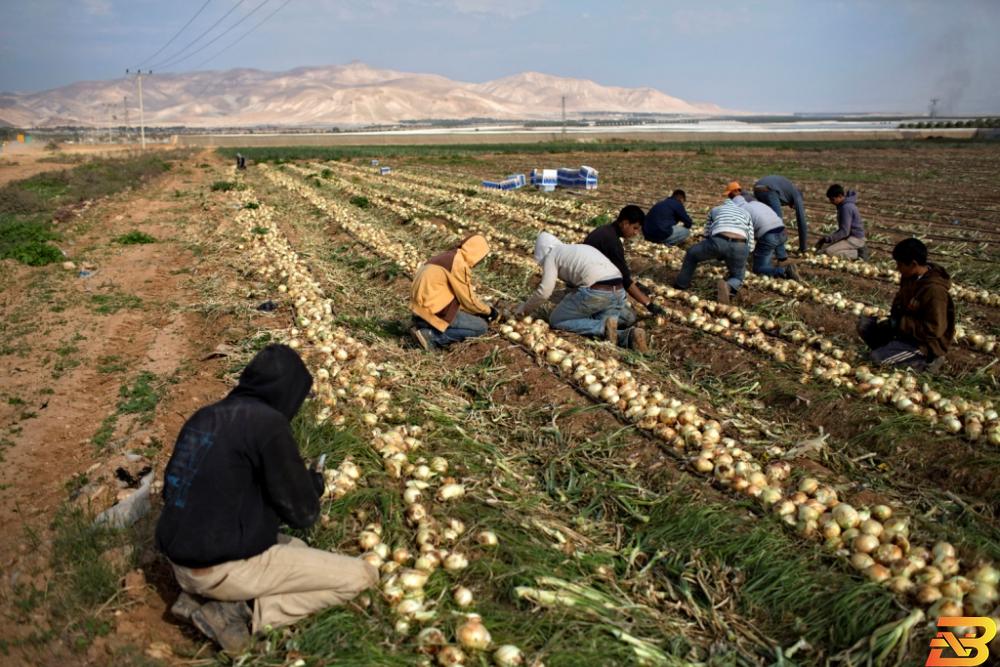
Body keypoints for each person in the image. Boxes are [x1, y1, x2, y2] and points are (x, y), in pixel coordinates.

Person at [156, 344, 378, 653]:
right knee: (362, 576)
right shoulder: (268, 424)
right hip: (217, 569)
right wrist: (311, 485)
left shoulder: (206, 416)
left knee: (296, 548)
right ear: (288, 392)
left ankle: (211, 597)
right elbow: (303, 514)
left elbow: (183, 488)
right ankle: (245, 615)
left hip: (180, 561)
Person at [516, 231, 648, 351]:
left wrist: (524, 309)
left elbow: (544, 291)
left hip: (597, 291)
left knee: (557, 319)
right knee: (605, 333)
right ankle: (629, 336)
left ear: (544, 252)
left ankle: (602, 327)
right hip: (619, 290)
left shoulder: (552, 254)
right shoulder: (578, 248)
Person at [857, 238, 954, 371]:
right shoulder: (909, 277)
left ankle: (927, 362)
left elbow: (934, 329)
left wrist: (900, 323)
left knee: (875, 359)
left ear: (913, 264)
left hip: (924, 344)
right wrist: (891, 320)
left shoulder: (934, 291)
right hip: (905, 333)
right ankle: (893, 352)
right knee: (865, 324)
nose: (897, 268)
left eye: (900, 264)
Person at [409, 234, 498, 350]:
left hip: (418, 310)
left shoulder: (448, 256)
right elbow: (468, 301)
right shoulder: (458, 264)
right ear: (477, 253)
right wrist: (489, 311)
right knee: (481, 327)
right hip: (432, 311)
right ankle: (432, 336)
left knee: (467, 316)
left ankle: (420, 326)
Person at [674, 182, 755, 305]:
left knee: (692, 254)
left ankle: (681, 285)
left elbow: (708, 233)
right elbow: (750, 238)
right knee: (738, 276)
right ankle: (728, 286)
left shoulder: (716, 210)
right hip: (741, 245)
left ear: (726, 198)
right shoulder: (746, 213)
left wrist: (716, 250)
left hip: (719, 240)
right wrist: (742, 254)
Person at [583, 205, 666, 318]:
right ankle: (596, 317)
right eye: (635, 228)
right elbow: (625, 280)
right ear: (625, 223)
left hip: (585, 279)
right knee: (628, 317)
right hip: (588, 290)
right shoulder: (612, 242)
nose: (636, 233)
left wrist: (634, 284)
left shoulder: (605, 230)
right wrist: (649, 304)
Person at [736, 191, 800, 280]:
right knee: (765, 254)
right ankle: (771, 267)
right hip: (783, 232)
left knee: (758, 269)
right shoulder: (758, 204)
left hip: (769, 236)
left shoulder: (740, 211)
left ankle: (784, 270)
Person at [752, 175, 809, 253]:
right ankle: (781, 253)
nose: (793, 208)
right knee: (777, 222)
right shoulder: (797, 195)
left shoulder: (788, 191)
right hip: (770, 189)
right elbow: (801, 220)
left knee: (764, 220)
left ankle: (763, 246)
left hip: (756, 188)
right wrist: (803, 247)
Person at [817, 184, 868, 260]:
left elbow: (844, 231)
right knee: (823, 250)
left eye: (833, 199)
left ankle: (858, 254)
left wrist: (828, 239)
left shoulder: (846, 208)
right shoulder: (844, 206)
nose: (831, 202)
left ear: (840, 196)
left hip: (855, 239)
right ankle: (855, 251)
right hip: (849, 237)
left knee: (828, 252)